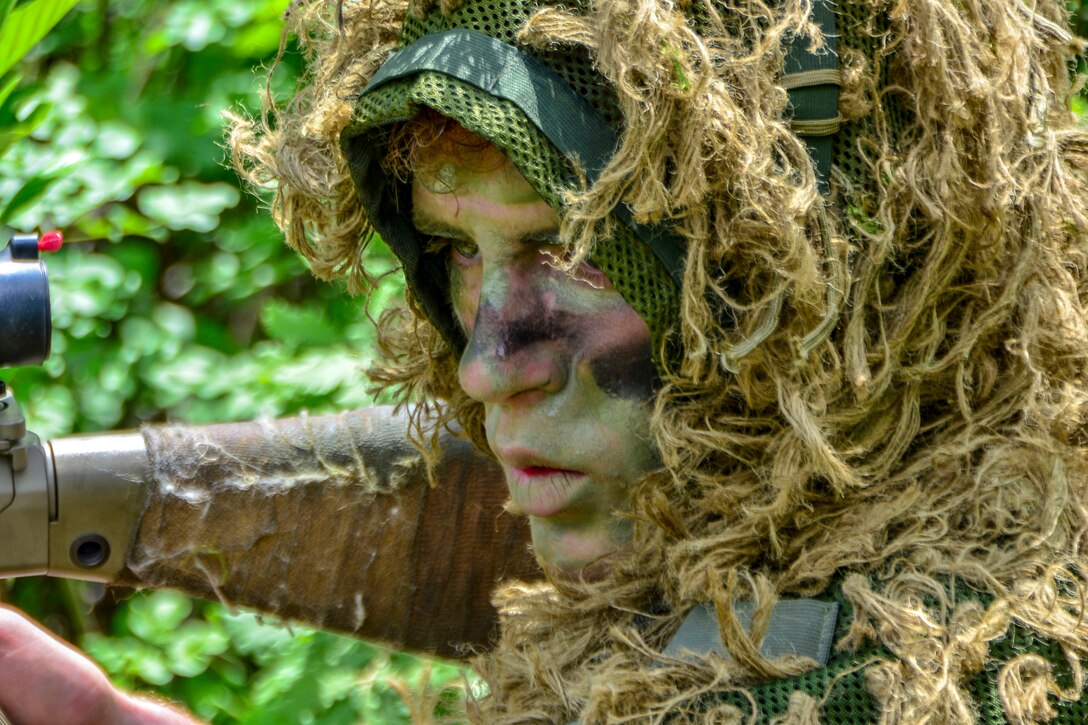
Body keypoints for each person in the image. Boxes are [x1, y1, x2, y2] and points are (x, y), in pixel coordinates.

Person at [5, 0, 1088, 721]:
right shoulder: (912, 512)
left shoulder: (937, 664)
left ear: (808, 266)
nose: (484, 366)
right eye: (454, 254)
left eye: (571, 251)